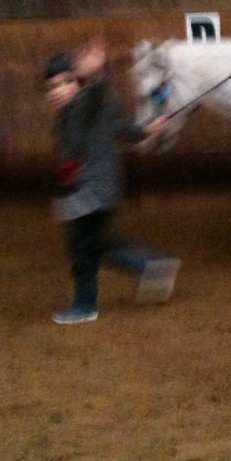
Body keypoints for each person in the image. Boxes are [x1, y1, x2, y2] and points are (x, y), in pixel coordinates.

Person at [42, 39, 180, 325]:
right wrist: (146, 128)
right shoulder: (84, 109)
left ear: (78, 82)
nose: (58, 91)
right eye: (52, 87)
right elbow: (120, 129)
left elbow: (93, 97)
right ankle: (148, 266)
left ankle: (84, 306)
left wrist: (95, 74)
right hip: (95, 189)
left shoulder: (85, 103)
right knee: (94, 244)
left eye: (65, 83)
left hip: (91, 190)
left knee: (84, 250)